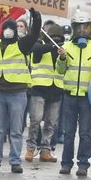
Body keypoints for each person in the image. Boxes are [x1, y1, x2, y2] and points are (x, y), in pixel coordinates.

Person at [0, 8, 42, 173]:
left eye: (11, 28)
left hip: (17, 93)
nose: (8, 31)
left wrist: (36, 18)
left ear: (16, 31)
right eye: (6, 28)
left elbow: (33, 35)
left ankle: (15, 161)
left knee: (16, 131)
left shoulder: (22, 44)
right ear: (2, 31)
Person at [56, 9, 91, 176]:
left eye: (85, 27)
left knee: (84, 133)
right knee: (68, 133)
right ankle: (66, 163)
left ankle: (83, 164)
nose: (82, 30)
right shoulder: (65, 47)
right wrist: (61, 58)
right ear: (73, 28)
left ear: (90, 28)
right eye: (79, 27)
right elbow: (60, 70)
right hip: (69, 96)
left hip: (87, 97)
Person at [25, 24, 64, 163]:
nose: (56, 40)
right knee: (35, 119)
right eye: (53, 37)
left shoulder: (63, 49)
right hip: (39, 87)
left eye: (59, 37)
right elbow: (36, 50)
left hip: (56, 89)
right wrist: (53, 46)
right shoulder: (39, 44)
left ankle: (45, 150)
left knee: (51, 123)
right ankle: (30, 148)